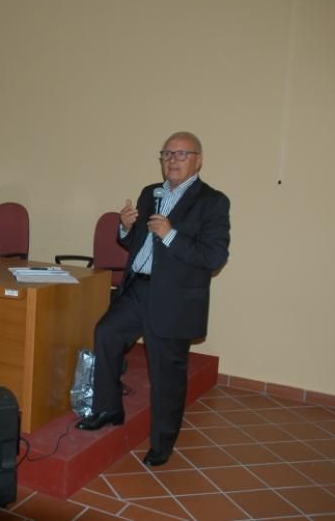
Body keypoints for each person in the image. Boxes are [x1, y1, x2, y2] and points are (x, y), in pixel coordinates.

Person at [76, 131, 230, 468]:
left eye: (181, 154)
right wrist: (125, 228)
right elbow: (138, 245)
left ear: (198, 161)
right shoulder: (151, 193)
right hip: (137, 290)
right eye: (167, 154)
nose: (172, 160)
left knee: (166, 375)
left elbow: (214, 256)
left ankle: (162, 442)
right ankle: (108, 408)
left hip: (174, 300)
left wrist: (171, 234)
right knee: (106, 334)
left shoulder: (213, 201)